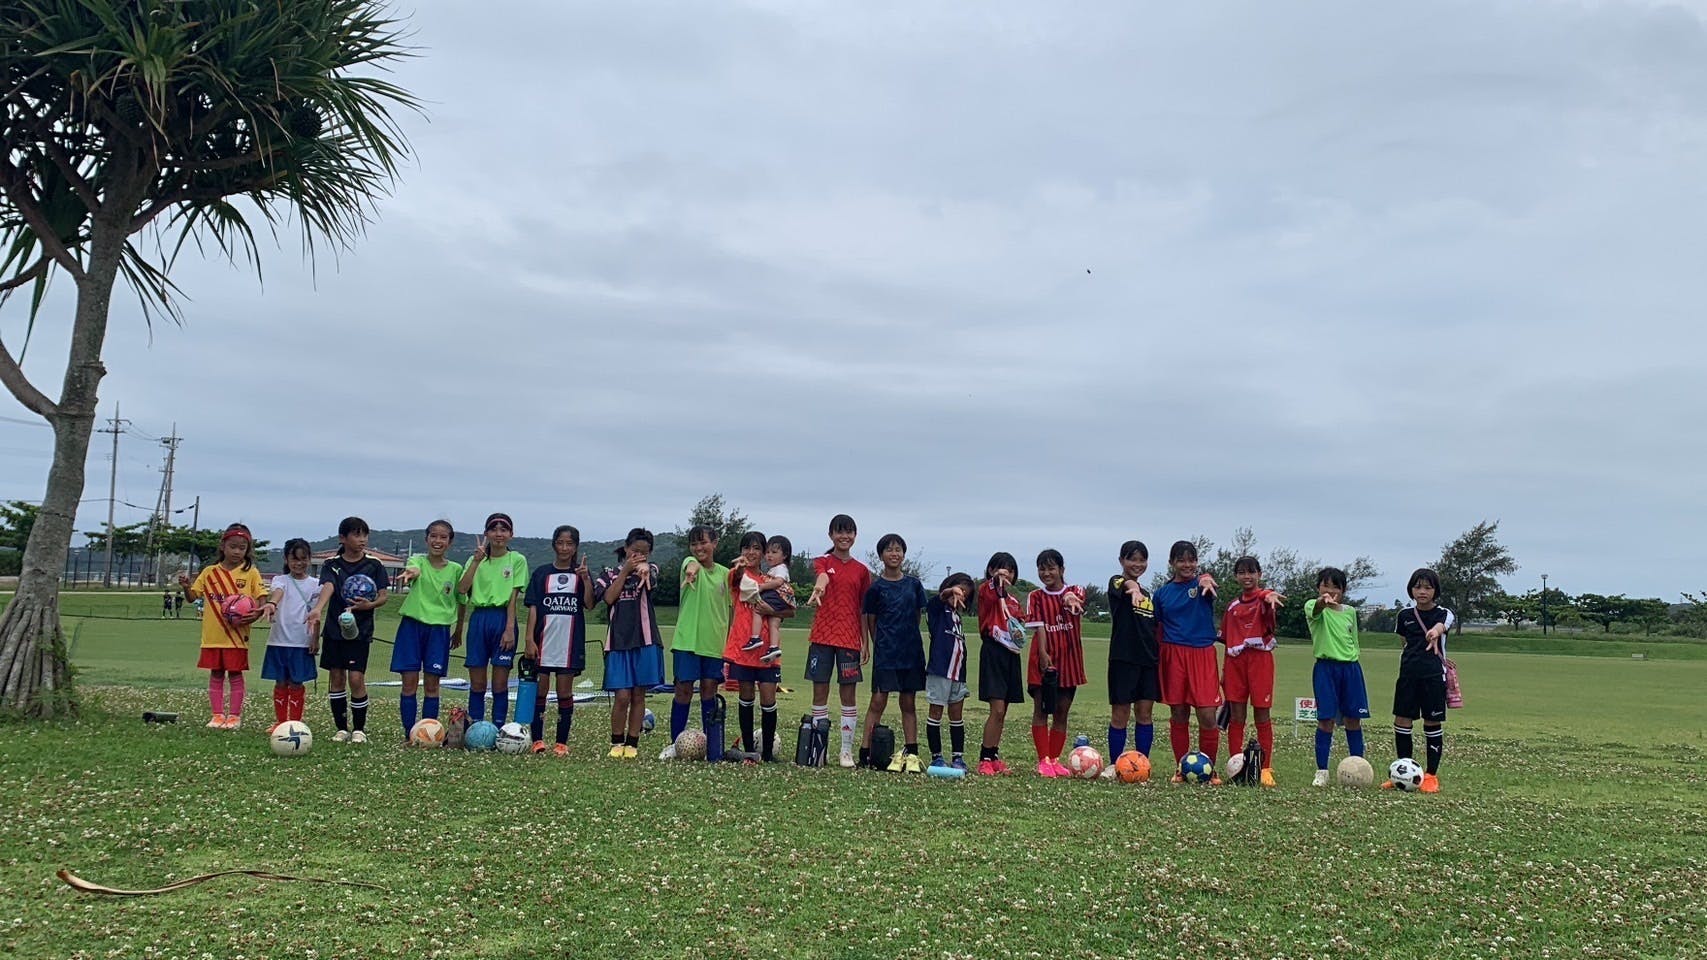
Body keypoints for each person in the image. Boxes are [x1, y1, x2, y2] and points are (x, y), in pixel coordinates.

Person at [307, 516, 390, 743]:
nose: (362, 539)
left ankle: (359, 729)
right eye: (357, 535)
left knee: (355, 678)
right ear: (343, 538)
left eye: (365, 535)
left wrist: (368, 605)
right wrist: (318, 609)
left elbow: (383, 596)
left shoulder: (374, 565)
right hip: (335, 630)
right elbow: (329, 586)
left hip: (360, 631)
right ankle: (341, 728)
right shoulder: (331, 564)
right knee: (336, 676)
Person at [178, 523, 269, 730]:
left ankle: (234, 716)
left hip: (237, 637)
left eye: (242, 548)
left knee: (235, 674)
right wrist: (186, 587)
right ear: (223, 546)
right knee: (216, 673)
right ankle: (217, 715)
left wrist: (256, 613)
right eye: (233, 546)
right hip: (212, 635)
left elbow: (261, 599)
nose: (237, 552)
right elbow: (193, 597)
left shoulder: (251, 573)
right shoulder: (209, 572)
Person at [856, 534, 930, 772]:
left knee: (908, 702)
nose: (894, 554)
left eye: (898, 549)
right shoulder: (876, 588)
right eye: (889, 550)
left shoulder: (914, 585)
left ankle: (912, 753)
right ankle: (865, 753)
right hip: (886, 652)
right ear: (881, 556)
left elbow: (917, 615)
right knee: (878, 700)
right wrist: (875, 644)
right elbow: (870, 619)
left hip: (911, 652)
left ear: (903, 554)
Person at [1152, 540, 1224, 783]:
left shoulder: (1203, 585)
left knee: (1207, 715)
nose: (1187, 565)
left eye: (1191, 560)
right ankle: (1181, 769)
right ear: (1171, 563)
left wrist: (1206, 579)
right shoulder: (1162, 594)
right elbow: (1157, 627)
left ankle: (1209, 769)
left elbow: (1209, 584)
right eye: (1181, 560)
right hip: (1173, 654)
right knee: (1179, 712)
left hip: (1202, 654)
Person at [804, 514, 871, 768]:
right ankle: (818, 750)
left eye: (849, 532)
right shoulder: (822, 561)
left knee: (848, 694)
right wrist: (819, 587)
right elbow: (822, 576)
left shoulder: (862, 570)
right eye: (839, 532)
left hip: (849, 639)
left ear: (855, 535)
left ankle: (846, 751)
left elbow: (863, 609)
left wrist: (865, 641)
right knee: (820, 691)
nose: (844, 536)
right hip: (822, 636)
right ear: (831, 535)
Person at [390, 520, 464, 741]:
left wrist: (459, 630)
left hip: (439, 630)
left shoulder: (456, 569)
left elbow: (461, 600)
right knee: (409, 682)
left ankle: (429, 733)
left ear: (450, 542)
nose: (437, 541)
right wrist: (411, 573)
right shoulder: (418, 560)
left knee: (432, 684)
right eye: (433, 536)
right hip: (412, 627)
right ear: (426, 539)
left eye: (443, 537)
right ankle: (410, 733)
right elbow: (413, 569)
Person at [596, 528, 666, 759]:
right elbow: (608, 598)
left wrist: (644, 569)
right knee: (622, 696)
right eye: (634, 551)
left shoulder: (651, 570)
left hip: (645, 641)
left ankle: (632, 743)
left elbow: (651, 577)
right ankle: (617, 741)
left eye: (643, 553)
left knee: (638, 695)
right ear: (626, 548)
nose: (638, 556)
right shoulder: (609, 574)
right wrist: (625, 571)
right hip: (617, 642)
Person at [723, 531, 793, 762]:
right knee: (745, 696)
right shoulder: (738, 574)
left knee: (768, 698)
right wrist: (740, 567)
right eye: (746, 548)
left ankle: (768, 753)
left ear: (763, 553)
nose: (751, 552)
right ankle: (748, 750)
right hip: (744, 648)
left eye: (756, 548)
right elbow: (735, 577)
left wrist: (771, 611)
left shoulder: (772, 579)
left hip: (767, 651)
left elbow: (790, 610)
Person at [661, 524, 730, 759]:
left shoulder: (725, 574)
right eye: (694, 543)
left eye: (703, 542)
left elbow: (735, 605)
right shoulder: (689, 564)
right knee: (683, 690)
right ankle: (675, 744)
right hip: (687, 641)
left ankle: (712, 746)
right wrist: (691, 571)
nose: (699, 548)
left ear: (715, 543)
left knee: (709, 691)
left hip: (714, 643)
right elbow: (691, 565)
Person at [523, 525, 593, 756]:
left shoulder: (581, 573)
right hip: (543, 642)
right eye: (560, 543)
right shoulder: (541, 573)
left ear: (576, 547)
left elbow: (590, 604)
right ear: (554, 544)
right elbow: (533, 607)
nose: (564, 548)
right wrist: (529, 639)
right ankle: (537, 740)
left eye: (569, 544)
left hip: (569, 644)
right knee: (540, 692)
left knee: (564, 693)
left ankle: (561, 742)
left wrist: (585, 578)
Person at [1385, 567, 1454, 793]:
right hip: (1407, 676)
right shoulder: (1404, 615)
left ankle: (1431, 775)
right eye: (1417, 587)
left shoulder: (1444, 613)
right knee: (1402, 720)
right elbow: (1404, 642)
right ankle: (1401, 773)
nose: (1422, 592)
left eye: (1427, 587)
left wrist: (1435, 632)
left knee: (1432, 722)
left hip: (1433, 677)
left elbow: (1442, 626)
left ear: (1435, 591)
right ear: (1411, 590)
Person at [457, 512, 527, 726]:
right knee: (477, 682)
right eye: (493, 529)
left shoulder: (516, 560)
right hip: (479, 618)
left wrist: (509, 628)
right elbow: (462, 589)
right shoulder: (475, 559)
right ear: (486, 533)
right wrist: (476, 561)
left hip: (502, 619)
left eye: (503, 530)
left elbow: (513, 597)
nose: (498, 534)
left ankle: (498, 727)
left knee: (499, 683)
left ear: (511, 534)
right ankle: (476, 727)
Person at [1221, 555, 1284, 787]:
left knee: (1262, 714)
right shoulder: (1232, 607)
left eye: (1251, 572)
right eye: (1242, 572)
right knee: (1236, 715)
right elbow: (1227, 639)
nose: (1247, 576)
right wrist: (1224, 671)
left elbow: (1266, 599)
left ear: (1259, 574)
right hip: (1235, 662)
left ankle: (1265, 768)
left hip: (1260, 660)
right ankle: (1236, 765)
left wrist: (1269, 595)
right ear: (1236, 576)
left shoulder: (1265, 600)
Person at [1025, 548, 1087, 778]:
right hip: (1045, 659)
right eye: (1042, 569)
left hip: (1070, 660)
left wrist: (1069, 598)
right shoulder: (1035, 596)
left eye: (1051, 568)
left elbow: (1075, 597)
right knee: (1041, 709)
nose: (1046, 573)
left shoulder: (1076, 590)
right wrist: (1043, 653)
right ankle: (1043, 760)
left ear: (1062, 569)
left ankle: (1054, 759)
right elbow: (1039, 626)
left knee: (1062, 712)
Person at [1306, 566, 1368, 787]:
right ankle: (1322, 771)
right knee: (1326, 720)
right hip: (1326, 668)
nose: (1330, 591)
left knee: (1353, 718)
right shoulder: (1313, 606)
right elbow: (1317, 608)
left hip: (1350, 669)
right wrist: (1322, 601)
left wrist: (1353, 658)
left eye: (1335, 587)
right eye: (1325, 586)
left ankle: (1358, 768)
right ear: (1318, 587)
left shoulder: (1350, 611)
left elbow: (1353, 639)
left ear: (1343, 590)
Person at [1106, 540, 1159, 772]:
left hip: (1148, 660)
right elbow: (1125, 583)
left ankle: (1141, 764)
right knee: (1120, 714)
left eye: (1142, 560)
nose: (1137, 564)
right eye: (1132, 559)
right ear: (1121, 560)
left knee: (1145, 713)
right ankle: (1115, 765)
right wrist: (1133, 588)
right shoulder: (1117, 582)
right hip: (1123, 659)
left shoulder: (1147, 594)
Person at [975, 551, 1025, 775]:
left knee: (1004, 710)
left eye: (1010, 571)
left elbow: (1020, 626)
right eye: (1000, 569)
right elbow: (990, 592)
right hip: (993, 651)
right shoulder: (987, 591)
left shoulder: (1013, 601)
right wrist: (997, 580)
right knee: (996, 709)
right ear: (990, 570)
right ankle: (984, 758)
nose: (1006, 574)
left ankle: (994, 755)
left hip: (1011, 654)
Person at [263, 538, 320, 732]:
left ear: (309, 559)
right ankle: (280, 722)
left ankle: (295, 722)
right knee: (280, 682)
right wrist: (272, 604)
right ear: (286, 560)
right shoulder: (280, 580)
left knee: (296, 683)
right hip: (278, 640)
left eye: (303, 559)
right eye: (294, 559)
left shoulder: (316, 585)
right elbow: (278, 593)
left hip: (301, 642)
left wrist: (315, 638)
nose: (299, 563)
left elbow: (316, 614)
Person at [925, 572, 976, 770]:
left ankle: (958, 758)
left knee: (956, 714)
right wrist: (950, 591)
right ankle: (936, 756)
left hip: (958, 672)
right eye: (960, 590)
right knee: (936, 711)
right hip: (940, 670)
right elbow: (939, 597)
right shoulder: (938, 609)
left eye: (965, 594)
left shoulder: (957, 616)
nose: (961, 595)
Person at [739, 535, 794, 665]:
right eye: (768, 552)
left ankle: (755, 637)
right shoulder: (774, 569)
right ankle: (774, 647)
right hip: (783, 598)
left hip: (777, 595)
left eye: (774, 552)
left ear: (784, 555)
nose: (769, 555)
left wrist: (763, 587)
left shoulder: (780, 568)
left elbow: (778, 582)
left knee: (758, 609)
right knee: (774, 623)